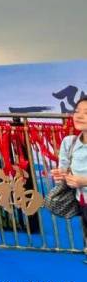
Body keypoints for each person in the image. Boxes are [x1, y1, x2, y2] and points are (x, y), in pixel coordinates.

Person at [51, 96, 87, 258]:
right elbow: (63, 171)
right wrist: (61, 175)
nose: (79, 116)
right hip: (82, 200)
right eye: (77, 111)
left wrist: (83, 181)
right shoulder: (69, 142)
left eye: (86, 113)